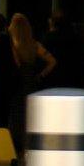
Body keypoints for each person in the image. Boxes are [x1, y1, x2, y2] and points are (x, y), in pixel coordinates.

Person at [8, 13, 57, 153]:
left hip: (17, 83)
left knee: (15, 115)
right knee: (29, 115)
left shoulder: (13, 45)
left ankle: (15, 145)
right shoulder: (34, 45)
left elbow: (16, 64)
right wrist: (41, 74)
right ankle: (29, 144)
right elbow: (52, 61)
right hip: (31, 82)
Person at [40, 10, 84, 89]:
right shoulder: (76, 39)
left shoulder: (48, 39)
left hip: (52, 84)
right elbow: (81, 64)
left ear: (52, 22)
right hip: (73, 83)